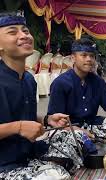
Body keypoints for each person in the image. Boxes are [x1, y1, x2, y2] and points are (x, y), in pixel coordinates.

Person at [0, 12, 72, 179]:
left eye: (25, 31)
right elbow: (20, 124)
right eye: (12, 32)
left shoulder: (29, 79)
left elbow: (23, 115)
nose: (23, 36)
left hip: (28, 154)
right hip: (3, 164)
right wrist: (18, 127)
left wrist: (47, 120)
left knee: (75, 145)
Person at [48, 38, 106, 142]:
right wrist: (78, 130)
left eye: (92, 56)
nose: (89, 59)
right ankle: (95, 140)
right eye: (84, 55)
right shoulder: (60, 83)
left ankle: (98, 139)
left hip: (92, 124)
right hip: (69, 128)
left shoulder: (98, 81)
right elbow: (54, 122)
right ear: (73, 58)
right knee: (67, 137)